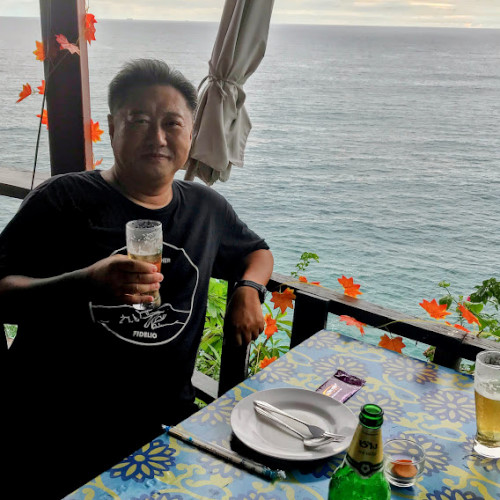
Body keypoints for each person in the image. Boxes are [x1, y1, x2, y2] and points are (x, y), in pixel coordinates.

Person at [1, 59, 273, 498]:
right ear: (112, 127)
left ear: (191, 132)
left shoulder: (205, 208)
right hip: (53, 431)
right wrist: (86, 281)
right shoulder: (63, 200)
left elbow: (257, 251)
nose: (158, 137)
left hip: (160, 430)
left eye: (172, 123)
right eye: (140, 121)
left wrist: (249, 289)